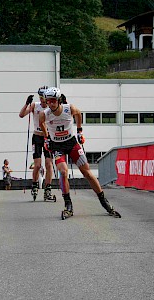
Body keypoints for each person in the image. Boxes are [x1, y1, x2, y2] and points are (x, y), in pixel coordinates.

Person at [39, 87, 121, 217]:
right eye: (48, 101)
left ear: (59, 100)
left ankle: (104, 201)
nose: (51, 103)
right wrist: (46, 138)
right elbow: (41, 123)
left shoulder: (68, 109)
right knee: (63, 171)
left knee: (87, 172)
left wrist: (79, 131)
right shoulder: (45, 113)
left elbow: (78, 114)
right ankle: (68, 205)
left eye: (53, 100)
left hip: (72, 144)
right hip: (57, 146)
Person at [19, 86, 55, 201]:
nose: (43, 101)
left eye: (44, 98)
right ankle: (34, 185)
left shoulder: (51, 107)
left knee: (49, 165)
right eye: (41, 98)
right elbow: (21, 115)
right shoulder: (35, 105)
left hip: (48, 137)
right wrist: (26, 104)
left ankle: (48, 188)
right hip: (37, 137)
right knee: (38, 165)